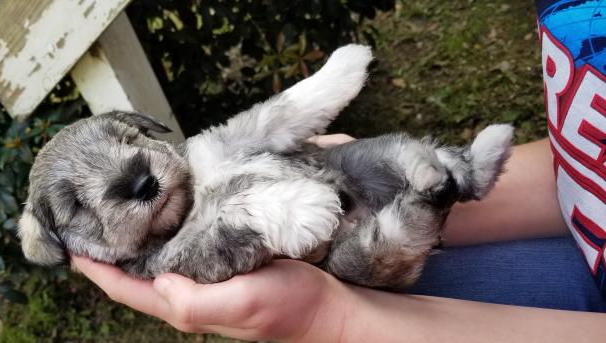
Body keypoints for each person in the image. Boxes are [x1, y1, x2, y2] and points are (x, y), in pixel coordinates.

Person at [72, 0, 606, 340]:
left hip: (339, 206)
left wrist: (329, 321)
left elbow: (264, 123)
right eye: (76, 203)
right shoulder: (167, 253)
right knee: (374, 230)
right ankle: (444, 188)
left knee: (377, 190)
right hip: (577, 223)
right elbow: (221, 241)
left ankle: (452, 179)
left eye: (128, 139)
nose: (137, 176)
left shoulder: (198, 156)